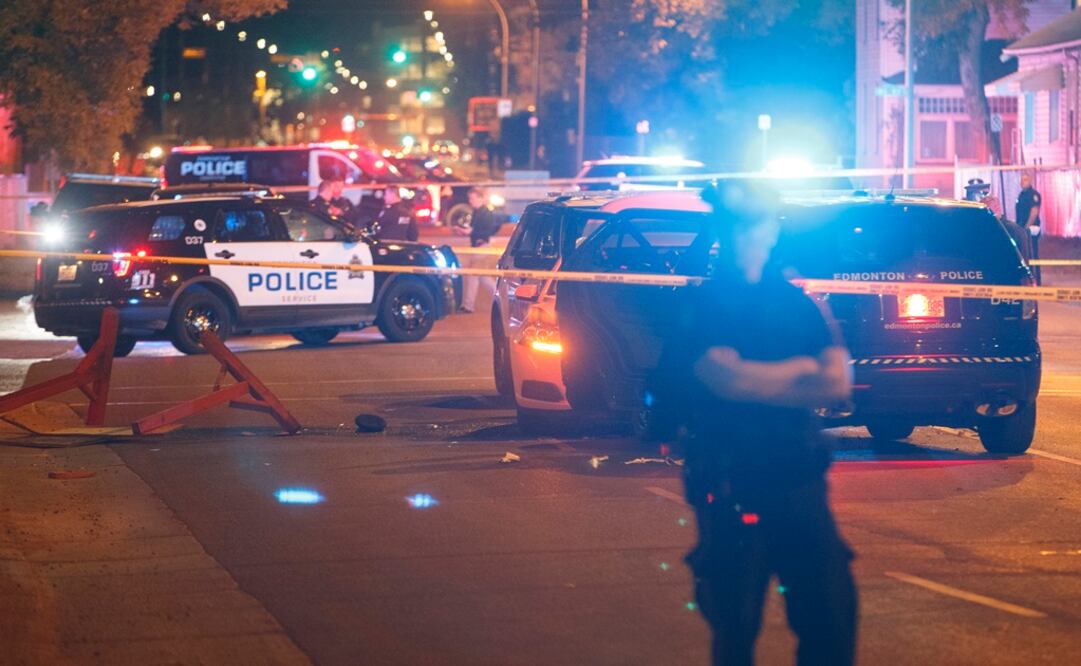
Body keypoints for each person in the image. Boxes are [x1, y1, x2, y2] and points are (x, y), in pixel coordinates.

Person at [648, 181, 858, 666]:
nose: (753, 235)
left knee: (832, 617)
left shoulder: (796, 303)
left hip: (798, 479)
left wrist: (761, 376)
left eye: (760, 223)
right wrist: (799, 374)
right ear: (726, 232)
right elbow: (723, 378)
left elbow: (836, 385)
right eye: (742, 225)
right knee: (736, 626)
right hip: (728, 480)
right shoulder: (701, 306)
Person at [458, 187, 507, 313]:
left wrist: (471, 231)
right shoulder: (477, 212)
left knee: (473, 275)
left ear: (480, 198)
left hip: (482, 247)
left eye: (472, 198)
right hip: (478, 247)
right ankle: (502, 299)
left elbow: (488, 231)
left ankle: (468, 306)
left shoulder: (486, 213)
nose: (470, 201)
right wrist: (467, 232)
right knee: (482, 277)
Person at [1015, 173, 1042, 282]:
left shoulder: (1033, 195)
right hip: (1022, 229)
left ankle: (1036, 280)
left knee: (1032, 254)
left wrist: (1026, 228)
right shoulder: (1021, 194)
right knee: (1024, 255)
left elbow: (1034, 212)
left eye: (1025, 180)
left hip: (1031, 229)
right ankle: (1028, 280)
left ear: (1030, 181)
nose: (1022, 182)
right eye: (1021, 180)